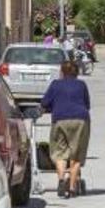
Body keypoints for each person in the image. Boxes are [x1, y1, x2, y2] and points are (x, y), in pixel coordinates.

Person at [41, 60, 91, 198]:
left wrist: (53, 107)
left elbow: (45, 102)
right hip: (80, 119)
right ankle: (72, 187)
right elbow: (87, 105)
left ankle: (61, 179)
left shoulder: (56, 84)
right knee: (76, 154)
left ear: (62, 72)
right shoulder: (81, 85)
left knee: (59, 152)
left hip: (60, 119)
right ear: (77, 72)